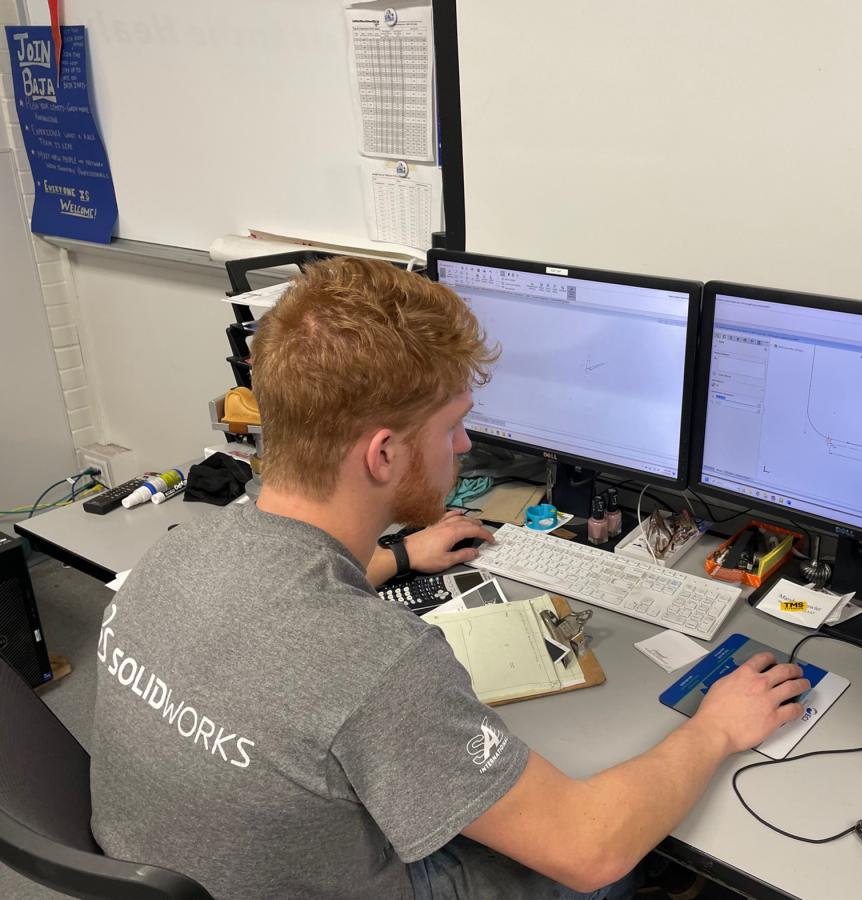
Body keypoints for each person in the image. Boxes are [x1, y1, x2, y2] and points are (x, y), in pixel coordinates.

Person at [89, 257, 809, 900]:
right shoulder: (379, 665)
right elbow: (589, 849)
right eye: (453, 425)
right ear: (382, 455)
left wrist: (399, 556)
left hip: (180, 869)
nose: (465, 445)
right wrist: (716, 728)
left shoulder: (182, 548)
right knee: (618, 868)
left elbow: (274, 603)